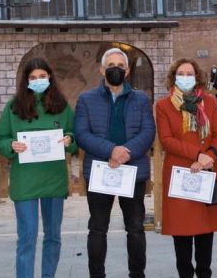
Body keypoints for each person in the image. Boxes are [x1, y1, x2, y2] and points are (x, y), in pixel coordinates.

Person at [0, 58, 78, 278]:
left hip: (53, 180)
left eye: (42, 76)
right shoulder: (13, 107)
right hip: (25, 181)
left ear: (50, 77)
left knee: (53, 236)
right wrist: (10, 145)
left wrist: (69, 139)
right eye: (33, 77)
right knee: (27, 237)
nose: (38, 80)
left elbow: (74, 134)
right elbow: (0, 138)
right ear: (25, 80)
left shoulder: (62, 106)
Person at [75, 48, 155, 278]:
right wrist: (111, 150)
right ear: (102, 69)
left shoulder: (140, 99)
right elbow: (82, 133)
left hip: (133, 171)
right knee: (98, 229)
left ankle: (137, 274)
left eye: (120, 65)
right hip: (100, 170)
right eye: (111, 65)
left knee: (136, 228)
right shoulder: (86, 99)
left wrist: (126, 153)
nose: (116, 69)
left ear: (127, 70)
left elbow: (148, 130)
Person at [155, 58, 217, 278]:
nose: (185, 77)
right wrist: (197, 155)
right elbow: (166, 140)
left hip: (206, 170)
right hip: (180, 173)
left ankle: (205, 273)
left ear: (197, 77)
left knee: (206, 230)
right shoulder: (164, 105)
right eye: (181, 73)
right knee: (182, 231)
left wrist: (209, 157)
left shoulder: (209, 102)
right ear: (174, 77)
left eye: (190, 73)